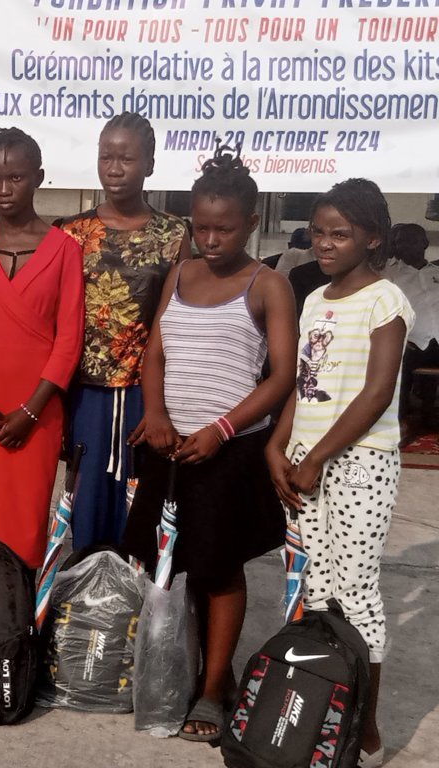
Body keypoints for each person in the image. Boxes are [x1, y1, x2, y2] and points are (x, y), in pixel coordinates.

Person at [123, 144, 296, 742]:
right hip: (170, 448)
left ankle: (215, 685)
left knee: (219, 570)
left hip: (229, 451)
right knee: (171, 565)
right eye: (201, 228)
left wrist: (221, 430)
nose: (212, 240)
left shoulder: (268, 285)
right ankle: (177, 669)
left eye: (225, 229)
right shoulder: (179, 275)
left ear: (251, 223)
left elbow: (281, 376)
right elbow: (155, 354)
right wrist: (155, 413)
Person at [266, 179, 414, 768]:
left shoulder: (386, 301)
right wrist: (278, 445)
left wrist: (317, 458)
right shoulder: (314, 300)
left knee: (356, 593)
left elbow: (375, 394)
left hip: (358, 463)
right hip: (305, 462)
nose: (325, 243)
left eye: (340, 234)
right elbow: (304, 383)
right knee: (316, 590)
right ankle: (323, 714)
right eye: (318, 232)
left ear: (372, 238)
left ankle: (365, 731)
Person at [0, 128, 83, 568]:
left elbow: (69, 340)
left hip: (36, 414)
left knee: (25, 526)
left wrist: (31, 411)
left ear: (38, 177)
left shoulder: (65, 250)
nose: (4, 190)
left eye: (16, 178)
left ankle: (21, 606)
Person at [59, 112, 189, 550]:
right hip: (85, 393)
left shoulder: (173, 233)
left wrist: (159, 406)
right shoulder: (73, 232)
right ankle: (85, 587)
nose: (114, 169)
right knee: (86, 502)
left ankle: (136, 591)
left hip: (144, 393)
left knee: (139, 510)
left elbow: (176, 320)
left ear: (149, 164)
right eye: (106, 157)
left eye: (127, 159)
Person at [382, 223, 439, 424]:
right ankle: (398, 422)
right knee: (394, 361)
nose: (406, 245)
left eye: (412, 240)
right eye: (400, 242)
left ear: (425, 243)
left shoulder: (436, 271)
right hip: (410, 342)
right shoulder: (388, 274)